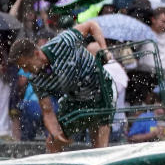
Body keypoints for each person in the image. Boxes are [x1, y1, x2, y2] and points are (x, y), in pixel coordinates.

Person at [9, 19, 115, 152]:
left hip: (99, 87)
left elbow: (91, 25)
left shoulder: (62, 42)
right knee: (52, 142)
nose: (25, 71)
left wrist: (104, 49)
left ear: (36, 54)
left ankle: (102, 158)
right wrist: (55, 133)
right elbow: (47, 111)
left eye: (26, 65)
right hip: (75, 98)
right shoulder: (36, 79)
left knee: (99, 143)